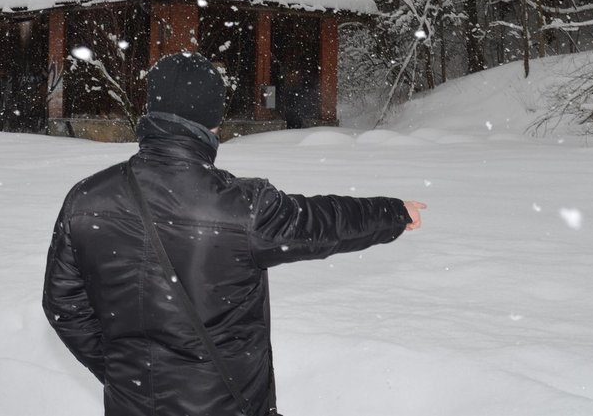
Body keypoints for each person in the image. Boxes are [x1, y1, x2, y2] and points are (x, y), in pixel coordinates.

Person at [43, 51, 425, 416]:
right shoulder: (243, 206)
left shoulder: (86, 198)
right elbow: (321, 222)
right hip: (222, 404)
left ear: (151, 112)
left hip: (131, 405)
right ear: (212, 122)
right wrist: (391, 212)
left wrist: (125, 373)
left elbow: (64, 308)